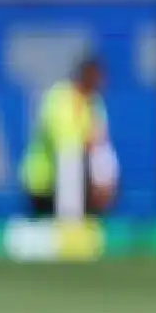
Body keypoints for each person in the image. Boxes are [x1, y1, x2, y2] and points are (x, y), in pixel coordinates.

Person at [19, 55, 119, 219]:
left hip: (77, 182)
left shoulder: (94, 102)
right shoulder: (58, 99)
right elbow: (67, 149)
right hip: (43, 183)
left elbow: (100, 144)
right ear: (85, 75)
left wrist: (104, 179)